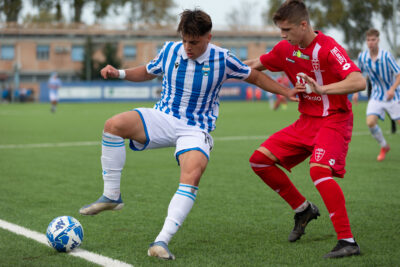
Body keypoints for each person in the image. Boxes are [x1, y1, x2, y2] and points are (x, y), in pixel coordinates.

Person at [79, 9, 299, 260]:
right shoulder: (171, 50)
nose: (187, 47)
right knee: (113, 125)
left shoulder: (223, 59)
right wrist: (118, 73)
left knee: (192, 173)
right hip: (163, 117)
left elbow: (256, 76)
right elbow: (148, 71)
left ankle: (161, 241)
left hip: (195, 128)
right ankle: (112, 195)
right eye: (184, 40)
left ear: (208, 37)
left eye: (193, 42)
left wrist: (286, 92)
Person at [245, 0, 366, 259]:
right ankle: (303, 209)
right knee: (259, 161)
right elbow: (257, 63)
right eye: (280, 30)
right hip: (306, 122)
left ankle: (348, 241)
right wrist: (222, 67)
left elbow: (358, 80)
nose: (283, 35)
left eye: (287, 30)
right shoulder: (284, 48)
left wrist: (322, 89)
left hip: (334, 119)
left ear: (303, 25)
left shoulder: (329, 48)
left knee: (319, 170)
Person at [353, 28, 400, 161]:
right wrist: (356, 92)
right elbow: (361, 75)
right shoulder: (363, 57)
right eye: (368, 40)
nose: (370, 42)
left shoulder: (386, 56)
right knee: (370, 122)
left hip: (393, 95)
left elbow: (399, 75)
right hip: (376, 95)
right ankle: (384, 146)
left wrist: (392, 89)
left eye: (373, 40)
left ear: (378, 40)